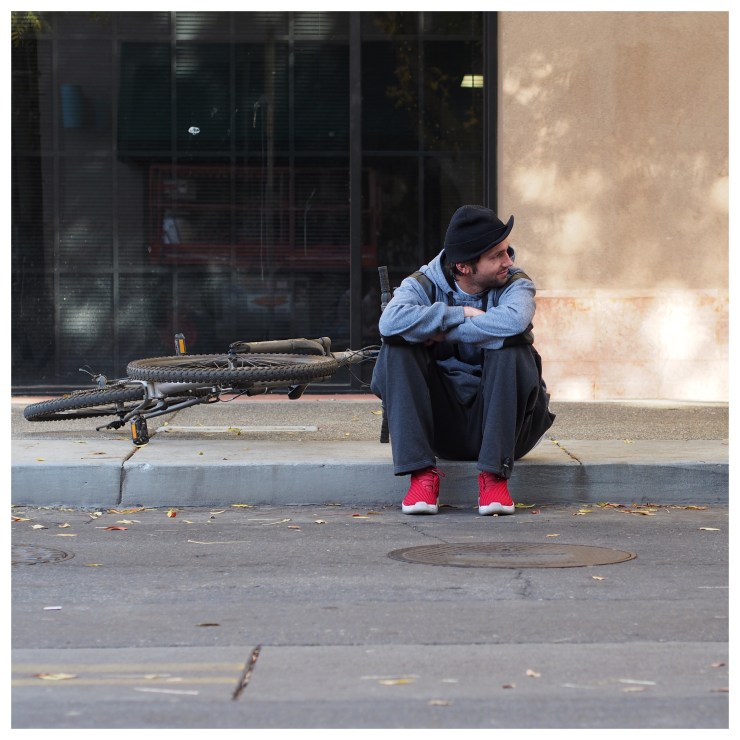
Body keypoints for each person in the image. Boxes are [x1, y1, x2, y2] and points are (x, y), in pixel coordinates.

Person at [370, 205, 555, 515]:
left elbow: (512, 323)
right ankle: (421, 477)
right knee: (398, 347)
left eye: (507, 250)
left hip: (510, 430)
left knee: (511, 345)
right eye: (497, 255)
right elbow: (389, 323)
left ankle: (494, 478)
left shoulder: (517, 283)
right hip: (441, 427)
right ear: (464, 267)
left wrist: (439, 330)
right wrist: (460, 314)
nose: (509, 261)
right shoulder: (423, 284)